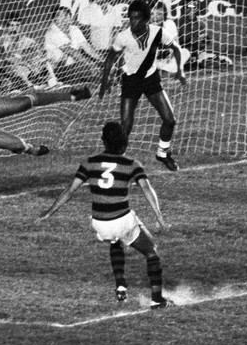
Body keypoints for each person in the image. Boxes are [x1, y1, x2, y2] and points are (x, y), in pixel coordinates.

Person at [37, 120, 169, 309]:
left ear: (103, 141)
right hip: (121, 219)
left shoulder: (89, 162)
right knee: (151, 252)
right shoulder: (132, 164)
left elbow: (69, 190)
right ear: (125, 143)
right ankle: (157, 300)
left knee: (115, 240)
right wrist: (159, 217)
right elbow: (147, 189)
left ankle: (121, 285)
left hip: (99, 222)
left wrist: (49, 212)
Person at [99, 0, 186, 172]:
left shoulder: (158, 32)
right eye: (131, 18)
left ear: (146, 19)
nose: (133, 22)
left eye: (137, 18)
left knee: (170, 120)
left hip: (150, 78)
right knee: (125, 125)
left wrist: (180, 70)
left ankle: (162, 153)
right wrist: (105, 81)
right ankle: (117, 160)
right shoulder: (123, 36)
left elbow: (176, 48)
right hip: (131, 80)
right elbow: (110, 57)